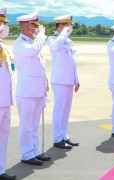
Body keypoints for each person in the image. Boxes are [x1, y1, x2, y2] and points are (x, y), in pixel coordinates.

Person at [13, 12, 51, 165]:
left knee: (34, 125)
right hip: (27, 92)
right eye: (35, 25)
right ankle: (27, 154)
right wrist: (42, 36)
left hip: (36, 91)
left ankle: (34, 151)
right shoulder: (20, 43)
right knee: (27, 125)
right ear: (27, 27)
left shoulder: (31, 43)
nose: (37, 28)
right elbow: (33, 50)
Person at [48, 15, 80, 149]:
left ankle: (64, 136)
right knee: (59, 110)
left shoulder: (67, 41)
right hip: (60, 80)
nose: (70, 29)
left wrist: (76, 79)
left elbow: (73, 62)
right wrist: (63, 34)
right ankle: (57, 139)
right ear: (60, 26)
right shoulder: (53, 39)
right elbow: (55, 47)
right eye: (68, 26)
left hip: (68, 80)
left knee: (66, 110)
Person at [0, 7, 17, 180]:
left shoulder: (3, 46)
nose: (4, 27)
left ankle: (0, 169)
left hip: (5, 99)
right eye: (2, 23)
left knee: (3, 136)